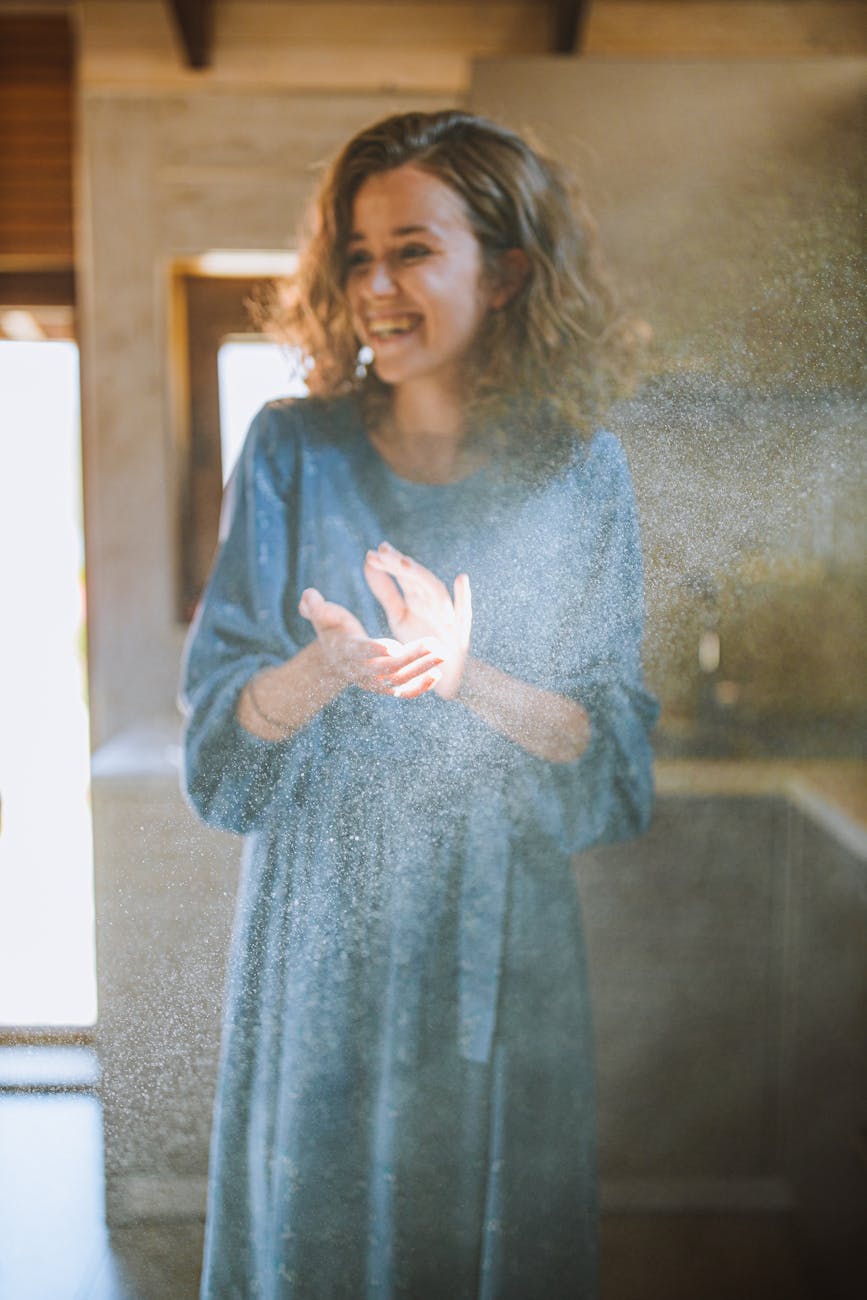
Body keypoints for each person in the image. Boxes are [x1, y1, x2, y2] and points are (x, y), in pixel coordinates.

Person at [180, 108, 658, 1300]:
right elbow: (218, 761)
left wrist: (466, 676)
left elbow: (614, 771)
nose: (375, 284)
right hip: (318, 941)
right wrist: (326, 666)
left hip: (502, 948)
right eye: (355, 254)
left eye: (412, 249)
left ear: (504, 273)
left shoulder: (579, 466)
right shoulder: (291, 451)